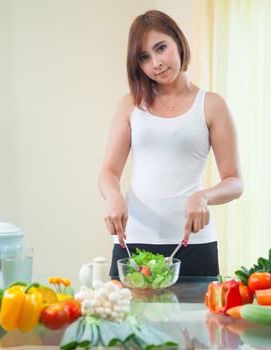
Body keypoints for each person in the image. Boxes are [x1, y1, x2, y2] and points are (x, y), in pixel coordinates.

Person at [99, 10, 243, 277]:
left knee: (197, 320)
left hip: (194, 242)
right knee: (126, 319)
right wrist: (114, 196)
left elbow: (235, 182)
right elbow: (108, 172)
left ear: (178, 41)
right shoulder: (130, 104)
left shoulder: (211, 105)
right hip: (133, 241)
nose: (156, 63)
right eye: (144, 57)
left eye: (161, 48)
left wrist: (203, 196)